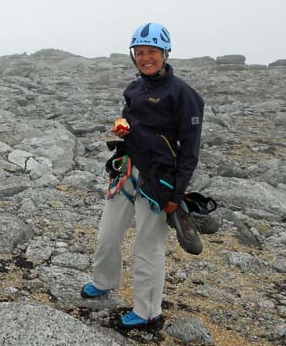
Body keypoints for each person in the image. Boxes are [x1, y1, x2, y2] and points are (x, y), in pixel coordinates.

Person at [81, 22, 204, 328]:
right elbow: (135, 121)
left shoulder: (184, 95)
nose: (145, 58)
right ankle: (104, 280)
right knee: (108, 234)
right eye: (140, 52)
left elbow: (189, 149)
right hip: (127, 170)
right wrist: (123, 127)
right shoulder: (134, 88)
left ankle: (148, 311)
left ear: (165, 53)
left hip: (159, 181)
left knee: (148, 245)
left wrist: (177, 195)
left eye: (152, 52)